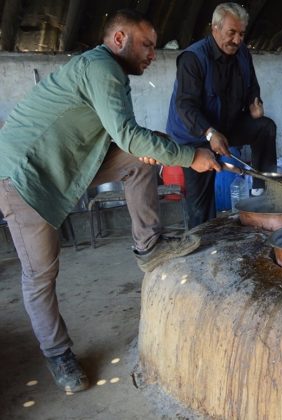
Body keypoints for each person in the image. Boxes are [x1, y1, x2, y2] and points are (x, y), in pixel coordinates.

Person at [0, 9, 220, 393]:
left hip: (69, 164)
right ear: (119, 39)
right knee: (41, 274)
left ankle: (148, 245)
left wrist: (166, 146)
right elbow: (130, 136)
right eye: (147, 45)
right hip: (24, 175)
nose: (153, 53)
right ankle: (58, 354)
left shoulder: (109, 73)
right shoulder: (102, 68)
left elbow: (128, 138)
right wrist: (191, 157)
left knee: (140, 159)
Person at [167, 2, 277, 227]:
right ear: (214, 28)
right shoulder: (193, 58)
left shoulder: (243, 54)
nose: (237, 40)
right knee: (201, 208)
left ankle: (261, 192)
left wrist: (255, 106)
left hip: (226, 125)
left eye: (241, 34)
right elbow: (185, 105)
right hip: (196, 134)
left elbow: (252, 87)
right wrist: (209, 133)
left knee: (265, 127)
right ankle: (200, 244)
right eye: (231, 33)